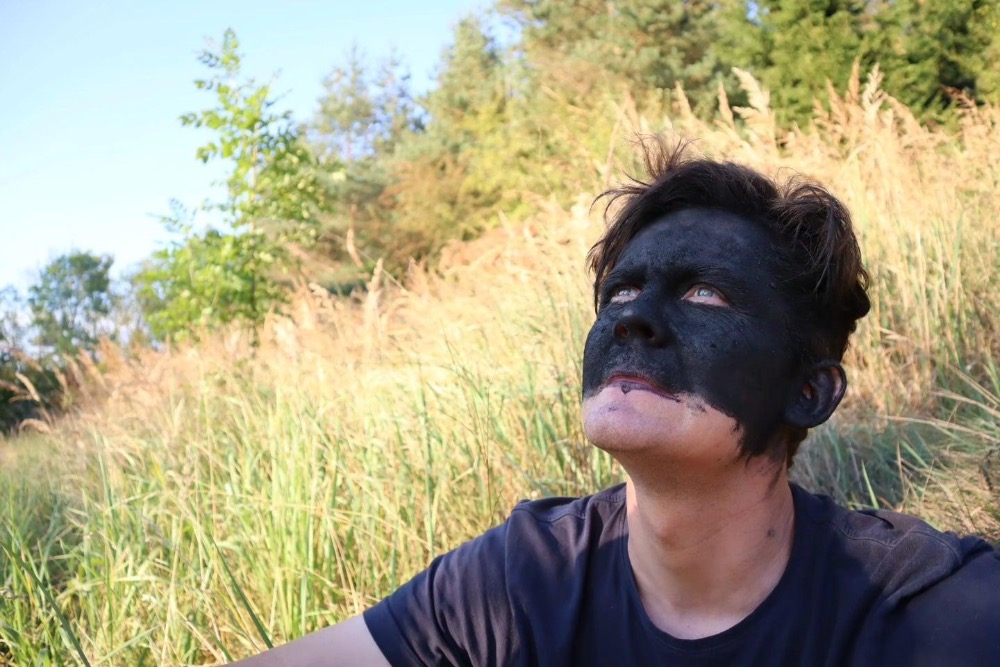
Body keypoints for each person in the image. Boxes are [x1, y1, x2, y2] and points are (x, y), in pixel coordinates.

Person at [232, 139, 1000, 666]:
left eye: (705, 294)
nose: (633, 319)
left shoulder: (926, 604)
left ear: (810, 391)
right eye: (620, 293)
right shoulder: (525, 578)